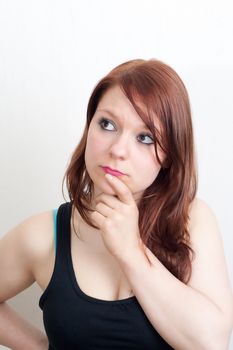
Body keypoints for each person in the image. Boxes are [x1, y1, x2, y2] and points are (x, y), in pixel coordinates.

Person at [0, 58, 232, 350]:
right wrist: (40, 346)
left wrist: (131, 252)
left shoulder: (191, 220)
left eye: (145, 137)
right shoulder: (44, 235)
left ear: (170, 154)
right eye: (107, 124)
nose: (118, 150)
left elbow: (211, 344)